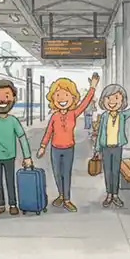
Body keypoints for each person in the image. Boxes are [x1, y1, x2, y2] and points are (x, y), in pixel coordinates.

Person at [37, 73, 99, 212]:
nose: (62, 98)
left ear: (72, 97)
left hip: (68, 148)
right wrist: (42, 147)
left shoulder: (73, 113)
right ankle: (60, 195)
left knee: (66, 173)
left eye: (66, 95)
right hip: (55, 149)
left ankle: (67, 199)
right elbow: (48, 132)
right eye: (58, 95)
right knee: (57, 173)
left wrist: (92, 88)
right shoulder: (54, 116)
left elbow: (85, 103)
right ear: (53, 98)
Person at [93, 79, 130, 208]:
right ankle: (109, 194)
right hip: (105, 148)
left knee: (116, 171)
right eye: (108, 98)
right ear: (103, 100)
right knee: (107, 172)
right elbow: (100, 133)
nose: (112, 101)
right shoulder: (103, 116)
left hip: (117, 147)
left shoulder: (123, 115)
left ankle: (115, 195)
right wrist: (97, 148)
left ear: (122, 101)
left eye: (116, 98)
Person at [0, 79, 33, 216]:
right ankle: (0, 204)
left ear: (14, 98)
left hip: (9, 156)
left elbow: (22, 138)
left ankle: (13, 204)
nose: (2, 100)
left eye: (7, 96)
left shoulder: (13, 121)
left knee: (10, 181)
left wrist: (27, 157)